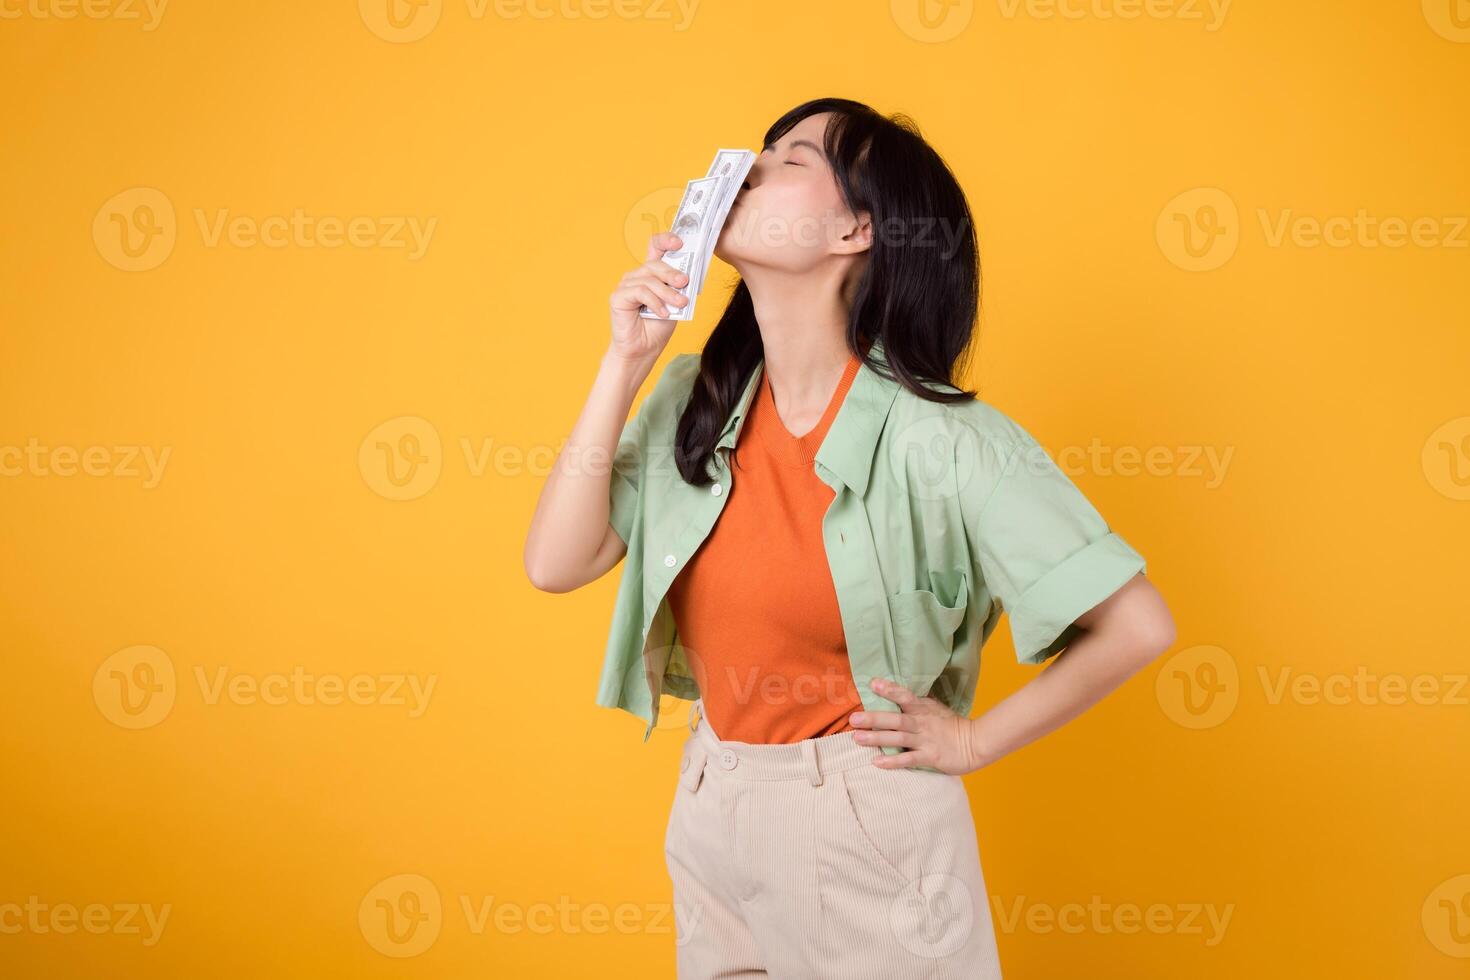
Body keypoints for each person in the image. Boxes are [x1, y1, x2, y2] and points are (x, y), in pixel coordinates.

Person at [524, 97, 1176, 979]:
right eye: (760, 150)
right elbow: (555, 564)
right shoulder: (694, 399)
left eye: (793, 159)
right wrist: (625, 360)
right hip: (714, 800)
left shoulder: (943, 440)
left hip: (864, 830)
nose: (751, 167)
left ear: (855, 232)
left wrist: (972, 743)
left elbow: (1138, 624)